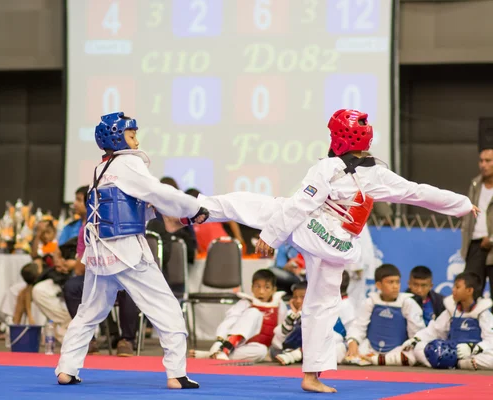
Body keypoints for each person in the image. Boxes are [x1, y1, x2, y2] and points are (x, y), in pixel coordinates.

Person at [165, 108, 477, 392]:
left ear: (339, 138)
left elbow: (302, 204)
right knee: (321, 305)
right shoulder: (377, 173)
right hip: (338, 246)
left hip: (317, 232)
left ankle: (187, 211)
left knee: (257, 205)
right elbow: (418, 193)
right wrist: (462, 204)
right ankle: (312, 375)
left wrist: (270, 237)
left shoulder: (328, 168)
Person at [55, 112, 209, 389]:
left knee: (89, 313)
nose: (137, 141)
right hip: (127, 251)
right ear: (117, 137)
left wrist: (176, 216)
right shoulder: (128, 163)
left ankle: (66, 368)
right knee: (166, 307)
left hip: (99, 253)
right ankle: (176, 373)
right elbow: (159, 192)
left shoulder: (99, 170)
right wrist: (193, 207)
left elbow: (128, 209)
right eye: (132, 135)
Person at [189, 269, 286, 362]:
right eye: (257, 286)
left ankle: (214, 354)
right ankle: (224, 349)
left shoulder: (279, 305)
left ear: (274, 290)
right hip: (237, 343)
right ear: (252, 288)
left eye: (267, 287)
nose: (261, 291)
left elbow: (281, 330)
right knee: (254, 312)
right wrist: (219, 340)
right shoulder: (246, 302)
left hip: (251, 347)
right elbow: (229, 320)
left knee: (262, 351)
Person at [404, 272, 493, 370]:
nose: (453, 290)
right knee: (419, 348)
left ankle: (458, 364)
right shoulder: (450, 311)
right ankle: (451, 363)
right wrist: (416, 339)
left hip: (473, 354)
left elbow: (490, 339)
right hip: (450, 352)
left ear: (469, 290)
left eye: (457, 287)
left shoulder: (483, 313)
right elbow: (434, 330)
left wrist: (472, 348)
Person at [344, 264, 425, 366]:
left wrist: (412, 345)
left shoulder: (407, 303)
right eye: (390, 282)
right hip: (371, 349)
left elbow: (417, 332)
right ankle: (374, 358)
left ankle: (378, 360)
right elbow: (359, 326)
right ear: (379, 285)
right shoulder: (370, 302)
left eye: (397, 282)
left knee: (415, 354)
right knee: (342, 350)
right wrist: (353, 342)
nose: (395, 286)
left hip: (397, 350)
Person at [461, 146, 493, 298]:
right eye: (481, 161)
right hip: (475, 244)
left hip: (491, 242)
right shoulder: (475, 184)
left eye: (488, 161)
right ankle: (470, 322)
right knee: (471, 290)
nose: (483, 165)